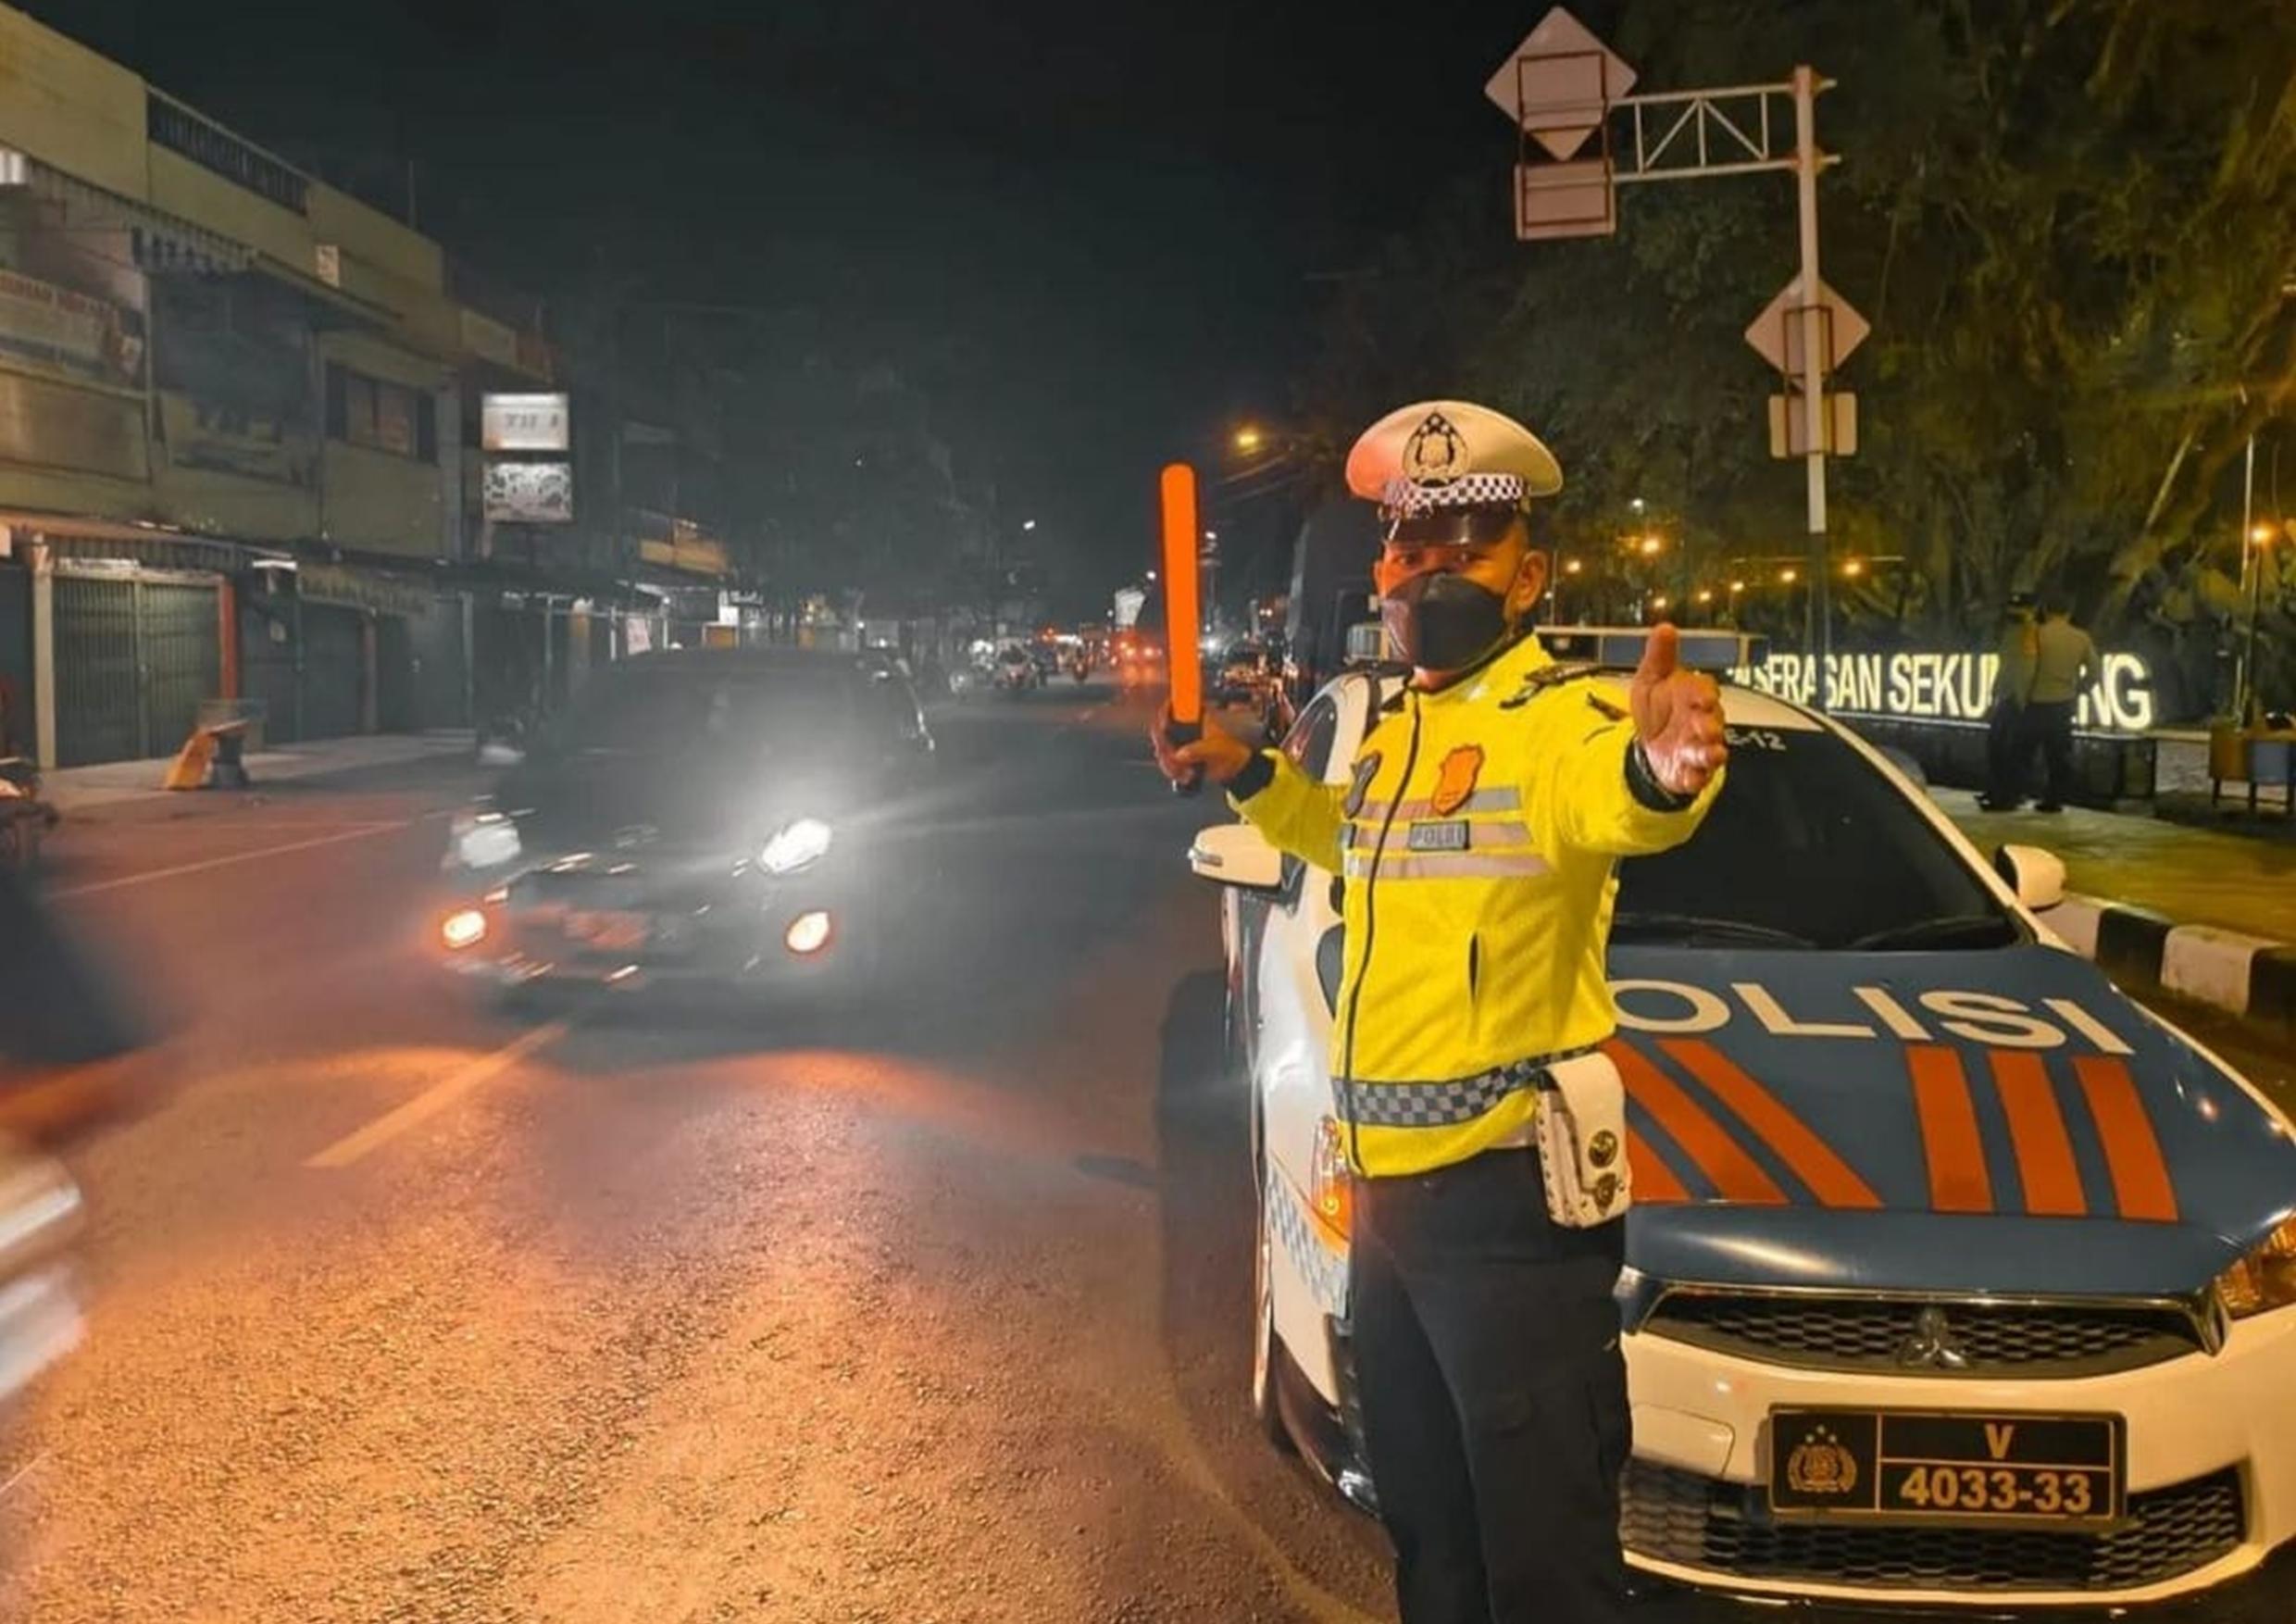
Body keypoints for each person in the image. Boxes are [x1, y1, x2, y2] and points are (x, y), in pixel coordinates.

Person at [1154, 400, 1726, 1624]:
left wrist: (1663, 764)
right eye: (1411, 545)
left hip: (1509, 1214)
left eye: (1466, 541)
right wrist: (1247, 770)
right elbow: (1340, 845)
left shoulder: (1560, 723)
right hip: (1392, 1213)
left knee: (1545, 1567)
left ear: (1530, 573)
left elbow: (1625, 799)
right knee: (1431, 1543)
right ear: (1382, 569)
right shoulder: (1395, 733)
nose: (1431, 567)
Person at [2014, 590, 2099, 812]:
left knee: (2023, 752)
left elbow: (2026, 668)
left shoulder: (2035, 634)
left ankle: (2016, 792)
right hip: (2063, 703)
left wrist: (2021, 697)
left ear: (2046, 610)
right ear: (2070, 612)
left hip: (2036, 701)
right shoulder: (2081, 638)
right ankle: (2054, 799)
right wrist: (2079, 689)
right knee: (2058, 756)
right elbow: (2095, 672)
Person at [1978, 591, 2039, 810]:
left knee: (2012, 750)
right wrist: (1993, 695)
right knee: (1996, 746)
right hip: (2006, 697)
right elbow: (2005, 666)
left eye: (2019, 608)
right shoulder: (2009, 633)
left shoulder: (2034, 634)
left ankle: (2008, 795)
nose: (2013, 612)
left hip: (2022, 699)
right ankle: (1998, 790)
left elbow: (2026, 669)